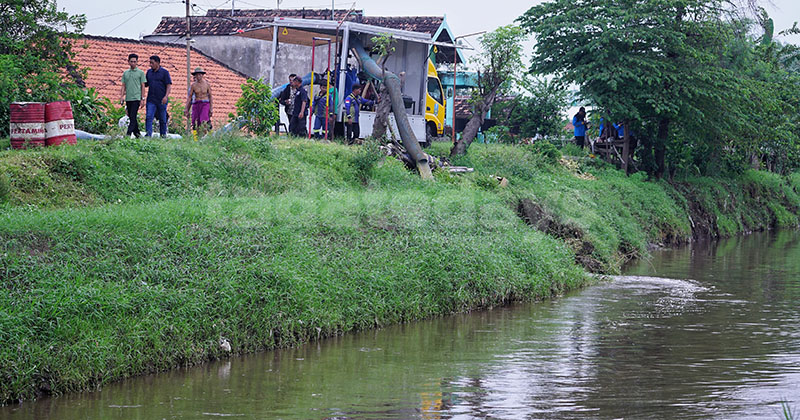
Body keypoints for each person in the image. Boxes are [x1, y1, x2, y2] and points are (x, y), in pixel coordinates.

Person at [120, 53, 146, 138]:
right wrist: (122, 96)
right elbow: (123, 85)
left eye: (135, 62)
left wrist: (142, 98)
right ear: (128, 62)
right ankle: (137, 134)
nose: (133, 63)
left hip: (136, 98)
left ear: (137, 62)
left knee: (133, 116)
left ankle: (128, 134)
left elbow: (143, 86)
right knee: (131, 117)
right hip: (128, 98)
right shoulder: (126, 73)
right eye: (131, 61)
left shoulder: (140, 73)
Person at [145, 55, 172, 138]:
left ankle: (163, 135)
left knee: (162, 119)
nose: (150, 65)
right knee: (149, 117)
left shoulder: (164, 72)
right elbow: (145, 84)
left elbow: (168, 85)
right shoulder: (149, 72)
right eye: (150, 63)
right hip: (151, 99)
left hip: (161, 99)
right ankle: (148, 135)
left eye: (152, 63)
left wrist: (166, 96)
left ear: (157, 63)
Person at [184, 67, 213, 135]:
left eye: (200, 74)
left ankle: (205, 135)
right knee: (195, 121)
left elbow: (210, 96)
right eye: (197, 75)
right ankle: (197, 137)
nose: (198, 76)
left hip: (205, 103)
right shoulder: (193, 85)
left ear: (202, 75)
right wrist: (186, 109)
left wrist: (211, 108)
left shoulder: (207, 84)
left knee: (203, 120)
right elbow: (189, 97)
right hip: (196, 103)